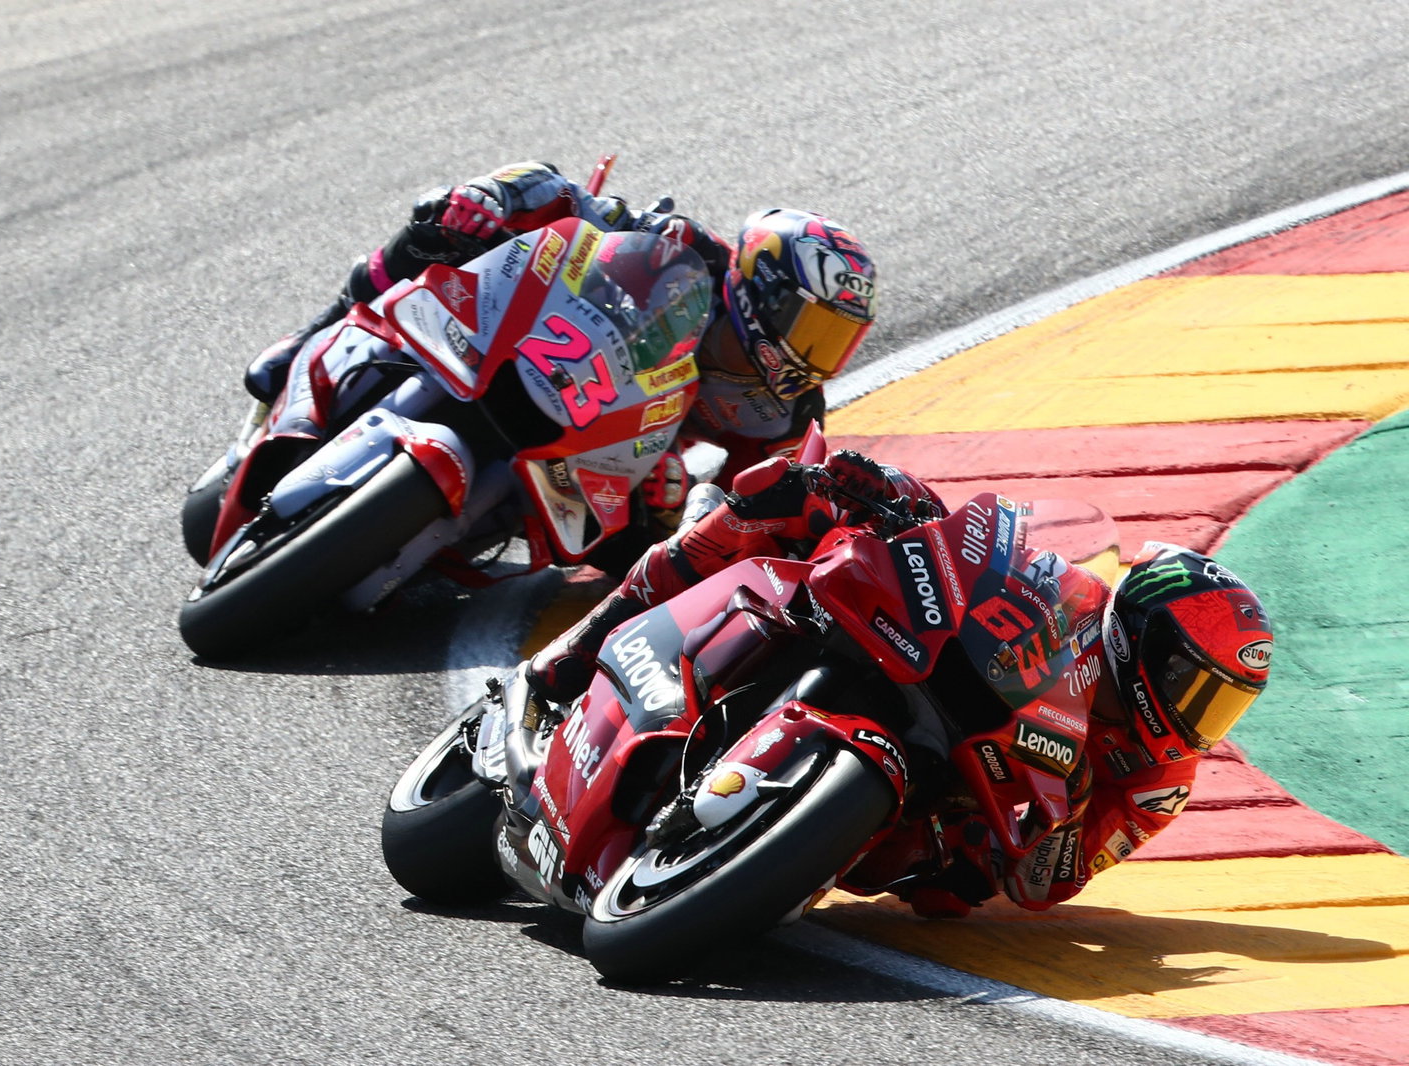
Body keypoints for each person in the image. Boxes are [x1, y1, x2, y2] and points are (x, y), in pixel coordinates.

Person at [524, 449, 1275, 918]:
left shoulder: (1157, 780)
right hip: (915, 664)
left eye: (1222, 703)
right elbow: (972, 545)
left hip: (951, 807)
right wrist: (891, 492)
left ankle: (760, 851)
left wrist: (1031, 833)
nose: (1197, 716)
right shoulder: (1072, 591)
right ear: (1141, 638)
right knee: (784, 505)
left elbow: (1055, 880)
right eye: (1194, 686)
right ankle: (584, 646)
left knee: (949, 888)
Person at [240, 160, 880, 537]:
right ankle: (315, 333)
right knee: (443, 221)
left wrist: (684, 504)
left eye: (835, 341)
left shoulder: (787, 414)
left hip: (602, 462)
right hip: (527, 343)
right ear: (762, 284)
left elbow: (766, 509)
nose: (811, 353)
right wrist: (496, 198)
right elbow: (568, 195)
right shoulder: (684, 248)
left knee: (645, 529)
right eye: (809, 326)